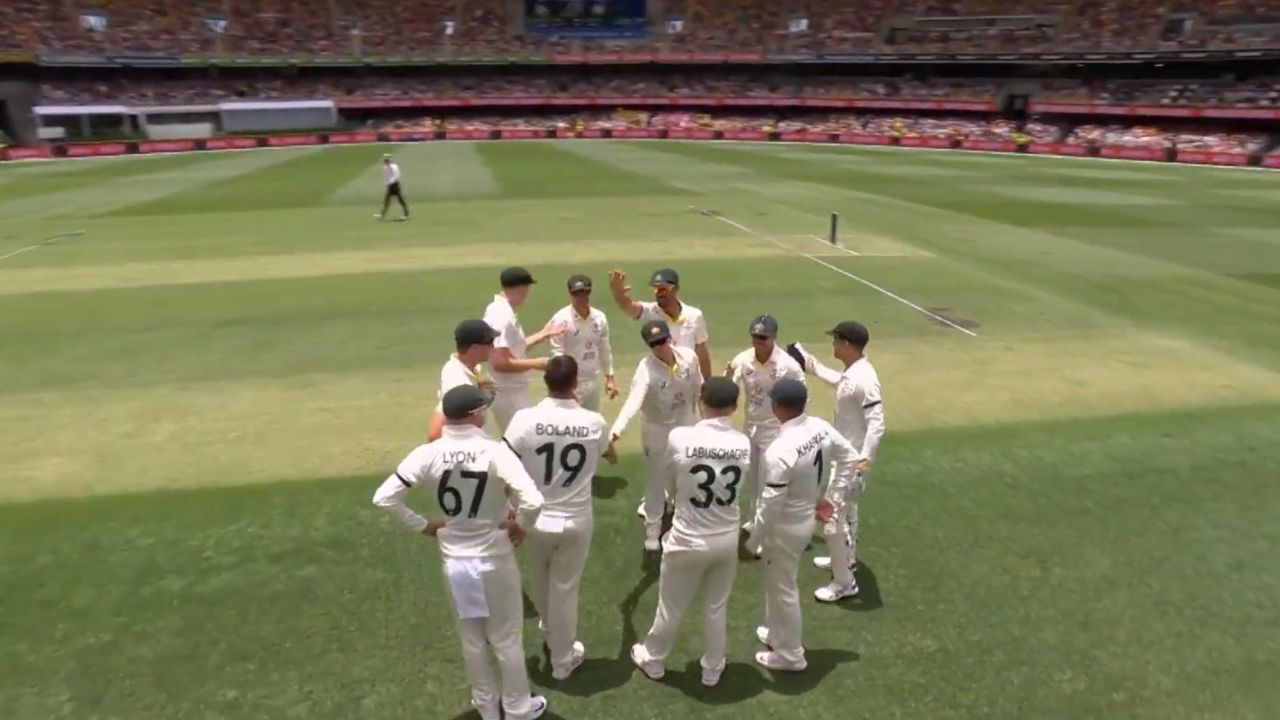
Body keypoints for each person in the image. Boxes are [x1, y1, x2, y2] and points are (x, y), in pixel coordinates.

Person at [372, 384, 549, 720]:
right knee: (506, 638)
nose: (484, 413)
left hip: (456, 561)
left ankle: (487, 709)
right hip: (494, 557)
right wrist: (522, 526)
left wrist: (422, 524)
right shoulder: (495, 452)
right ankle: (517, 709)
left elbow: (385, 497)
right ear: (473, 416)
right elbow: (534, 500)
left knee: (473, 640)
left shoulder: (428, 453)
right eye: (481, 408)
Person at [631, 378, 750, 688]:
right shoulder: (743, 443)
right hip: (726, 537)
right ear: (735, 407)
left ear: (701, 401)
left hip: (687, 536)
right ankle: (713, 667)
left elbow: (670, 481)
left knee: (670, 605)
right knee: (716, 606)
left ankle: (654, 659)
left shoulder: (681, 436)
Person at [503, 357, 616, 681]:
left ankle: (551, 632)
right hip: (575, 519)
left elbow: (504, 465)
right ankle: (562, 660)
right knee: (565, 588)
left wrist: (510, 509)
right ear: (575, 383)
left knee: (540, 580)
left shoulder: (524, 419)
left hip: (534, 517)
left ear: (546, 382)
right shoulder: (593, 422)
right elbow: (608, 452)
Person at [745, 379, 861, 671]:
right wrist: (831, 499)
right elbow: (850, 457)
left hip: (785, 527)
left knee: (783, 588)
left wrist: (752, 541)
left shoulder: (779, 450)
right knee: (777, 583)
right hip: (805, 520)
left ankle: (791, 655)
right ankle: (775, 633)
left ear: (776, 407)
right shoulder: (820, 426)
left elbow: (769, 506)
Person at [790, 321, 886, 602]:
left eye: (835, 340)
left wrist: (863, 461)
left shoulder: (865, 379)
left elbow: (877, 424)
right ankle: (845, 559)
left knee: (831, 518)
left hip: (851, 462)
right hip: (847, 458)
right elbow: (841, 383)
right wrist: (811, 364)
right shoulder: (854, 373)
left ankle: (844, 582)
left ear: (845, 344)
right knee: (847, 512)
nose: (833, 344)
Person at [608, 320, 704, 551]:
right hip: (657, 428)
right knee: (655, 480)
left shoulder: (689, 357)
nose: (660, 347)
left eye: (662, 341)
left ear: (670, 338)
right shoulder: (646, 370)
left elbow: (699, 388)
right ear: (649, 346)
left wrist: (707, 420)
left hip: (684, 422)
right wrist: (618, 428)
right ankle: (653, 529)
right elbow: (634, 401)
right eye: (654, 344)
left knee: (686, 472)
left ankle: (684, 519)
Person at [725, 314, 805, 528]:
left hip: (776, 432)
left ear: (774, 337)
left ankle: (767, 526)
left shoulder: (788, 366)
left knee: (769, 484)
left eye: (763, 337)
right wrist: (726, 375)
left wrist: (794, 430)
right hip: (751, 429)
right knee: (754, 481)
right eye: (755, 337)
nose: (758, 341)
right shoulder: (743, 359)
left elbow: (801, 397)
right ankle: (756, 521)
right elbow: (730, 390)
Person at [482, 266, 566, 433]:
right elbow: (500, 362)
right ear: (521, 287)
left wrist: (544, 333)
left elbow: (512, 349)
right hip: (508, 393)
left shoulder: (495, 308)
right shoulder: (503, 316)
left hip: (509, 392)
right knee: (522, 443)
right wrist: (538, 363)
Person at [607, 267, 712, 380]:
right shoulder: (652, 312)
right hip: (661, 379)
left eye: (662, 289)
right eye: (655, 289)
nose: (658, 293)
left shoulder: (694, 316)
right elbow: (629, 307)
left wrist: (707, 383)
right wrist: (618, 294)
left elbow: (702, 352)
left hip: (687, 377)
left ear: (675, 289)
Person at [547, 274, 618, 412]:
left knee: (590, 424)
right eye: (576, 293)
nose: (580, 297)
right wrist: (565, 386)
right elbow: (557, 354)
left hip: (592, 380)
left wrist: (609, 378)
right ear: (570, 294)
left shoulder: (599, 318)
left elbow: (605, 348)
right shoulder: (561, 319)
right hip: (569, 384)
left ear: (589, 292)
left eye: (584, 292)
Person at [428, 319, 499, 442]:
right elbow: (435, 434)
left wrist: (477, 390)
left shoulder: (460, 368)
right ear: (474, 348)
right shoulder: (457, 382)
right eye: (489, 342)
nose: (493, 346)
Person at [376, 153, 410, 221]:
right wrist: (387, 184)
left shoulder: (394, 166)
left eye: (386, 159)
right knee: (387, 200)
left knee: (400, 200)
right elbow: (386, 176)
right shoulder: (385, 167)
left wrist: (391, 183)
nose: (384, 160)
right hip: (390, 185)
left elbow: (396, 176)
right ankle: (382, 215)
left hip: (395, 185)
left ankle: (406, 214)